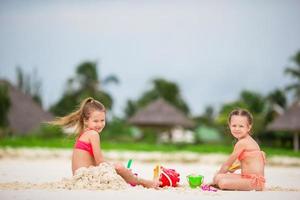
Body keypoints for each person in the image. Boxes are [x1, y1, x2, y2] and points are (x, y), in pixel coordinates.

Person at [49, 97, 159, 188]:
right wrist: (121, 170)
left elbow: (94, 163)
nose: (100, 124)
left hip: (79, 177)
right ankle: (145, 183)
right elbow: (100, 161)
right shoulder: (93, 134)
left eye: (102, 120)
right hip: (86, 177)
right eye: (96, 121)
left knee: (118, 168)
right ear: (86, 121)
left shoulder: (83, 134)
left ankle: (132, 179)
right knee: (119, 167)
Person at [211, 108, 266, 191]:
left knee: (222, 182)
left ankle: (220, 182)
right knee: (218, 177)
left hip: (255, 182)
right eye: (234, 125)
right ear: (229, 126)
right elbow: (246, 163)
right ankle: (219, 180)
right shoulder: (246, 141)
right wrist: (218, 176)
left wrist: (215, 181)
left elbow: (227, 164)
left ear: (249, 127)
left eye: (241, 126)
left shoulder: (242, 143)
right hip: (246, 177)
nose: (237, 129)